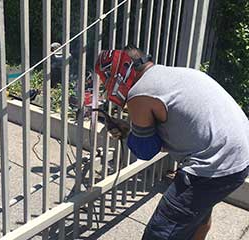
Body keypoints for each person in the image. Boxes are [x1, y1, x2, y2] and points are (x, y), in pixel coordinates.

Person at [94, 45, 249, 240]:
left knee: (161, 232)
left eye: (104, 80)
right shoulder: (176, 73)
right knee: (197, 215)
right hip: (239, 156)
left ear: (117, 75)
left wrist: (127, 133)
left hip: (214, 166)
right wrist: (131, 129)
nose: (105, 86)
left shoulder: (139, 94)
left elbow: (145, 150)